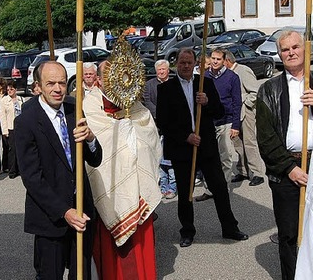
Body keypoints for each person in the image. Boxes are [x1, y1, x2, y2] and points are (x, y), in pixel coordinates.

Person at [15, 61, 102, 279]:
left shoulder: (74, 108)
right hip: (50, 218)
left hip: (82, 211)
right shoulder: (26, 121)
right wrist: (64, 211)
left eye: (62, 83)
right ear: (38, 86)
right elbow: (32, 178)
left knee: (81, 275)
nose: (57, 89)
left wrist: (91, 139)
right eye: (51, 83)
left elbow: (95, 159)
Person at [156, 48, 248, 248]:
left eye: (189, 63)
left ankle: (230, 228)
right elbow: (163, 121)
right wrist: (185, 137)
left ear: (194, 64)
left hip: (206, 147)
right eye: (182, 63)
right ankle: (187, 231)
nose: (186, 66)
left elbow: (219, 111)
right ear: (176, 65)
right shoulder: (166, 89)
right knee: (186, 192)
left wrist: (207, 101)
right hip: (182, 149)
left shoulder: (205, 83)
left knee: (220, 188)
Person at [84, 57, 161, 279]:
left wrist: (133, 136)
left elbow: (151, 145)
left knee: (140, 254)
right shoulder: (88, 108)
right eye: (108, 76)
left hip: (139, 194)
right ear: (98, 80)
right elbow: (95, 151)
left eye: (119, 74)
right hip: (109, 196)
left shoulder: (138, 110)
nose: (115, 80)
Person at [256, 30, 311, 280]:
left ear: (305, 49)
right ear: (279, 54)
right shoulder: (268, 90)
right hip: (287, 169)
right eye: (285, 49)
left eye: (295, 47)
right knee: (289, 234)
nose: (291, 52)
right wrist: (290, 168)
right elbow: (266, 137)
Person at [223, 50, 266, 187]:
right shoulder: (225, 74)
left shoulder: (243, 70)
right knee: (237, 142)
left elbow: (255, 90)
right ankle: (243, 171)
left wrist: (247, 104)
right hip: (233, 113)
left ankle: (257, 173)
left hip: (245, 112)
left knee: (249, 142)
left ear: (228, 61)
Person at [205, 47, 242, 188]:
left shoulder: (232, 78)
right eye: (213, 58)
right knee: (210, 156)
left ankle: (223, 188)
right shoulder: (205, 77)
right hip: (208, 121)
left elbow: (237, 102)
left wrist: (235, 125)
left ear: (224, 60)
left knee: (225, 156)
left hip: (225, 121)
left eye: (218, 59)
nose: (215, 61)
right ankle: (211, 187)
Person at [143, 59, 177, 199]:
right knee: (159, 157)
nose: (161, 72)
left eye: (164, 69)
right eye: (159, 70)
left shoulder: (175, 84)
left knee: (171, 159)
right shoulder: (149, 85)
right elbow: (147, 101)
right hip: (156, 125)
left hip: (173, 125)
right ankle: (163, 186)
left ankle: (172, 187)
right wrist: (161, 114)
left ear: (168, 70)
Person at [0, 80, 24, 179]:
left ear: (15, 89)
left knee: (20, 149)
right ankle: (12, 170)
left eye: (11, 89)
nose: (9, 91)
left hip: (20, 128)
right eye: (8, 89)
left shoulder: (21, 99)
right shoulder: (4, 101)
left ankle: (20, 169)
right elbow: (3, 116)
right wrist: (5, 131)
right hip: (11, 128)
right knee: (12, 150)